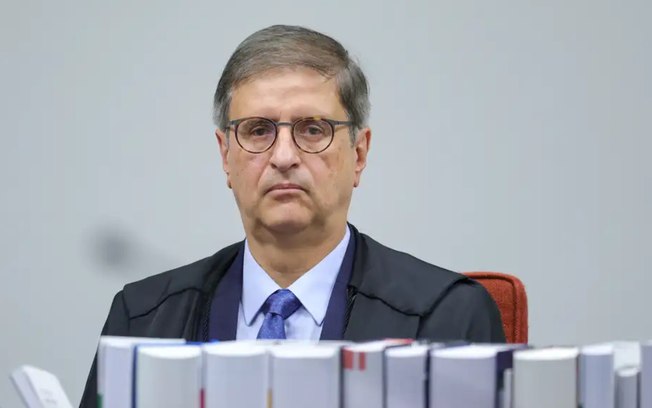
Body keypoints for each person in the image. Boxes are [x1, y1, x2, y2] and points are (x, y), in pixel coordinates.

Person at [80, 24, 504, 406]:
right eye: (258, 130)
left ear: (359, 154)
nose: (284, 156)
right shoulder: (144, 319)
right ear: (225, 156)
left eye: (313, 129)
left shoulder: (444, 316)